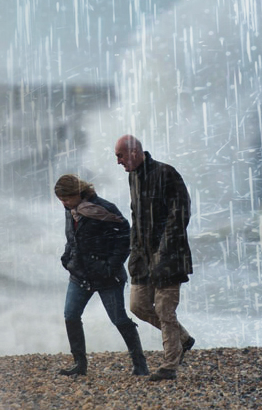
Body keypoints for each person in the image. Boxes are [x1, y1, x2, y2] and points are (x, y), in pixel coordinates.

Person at [114, 135, 195, 382]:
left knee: (164, 310)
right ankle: (182, 339)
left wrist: (164, 251)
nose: (118, 162)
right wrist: (134, 250)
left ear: (135, 152)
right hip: (142, 257)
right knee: (137, 306)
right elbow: (136, 216)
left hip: (170, 256)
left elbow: (181, 213)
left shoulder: (166, 173)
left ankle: (170, 365)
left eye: (120, 156)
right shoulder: (133, 176)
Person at [54, 174, 148, 376]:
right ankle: (80, 364)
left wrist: (110, 265)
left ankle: (140, 364)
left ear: (78, 193)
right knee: (71, 315)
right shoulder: (69, 210)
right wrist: (66, 257)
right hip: (79, 275)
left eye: (66, 198)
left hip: (108, 277)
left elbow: (125, 237)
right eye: (61, 200)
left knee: (119, 319)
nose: (64, 203)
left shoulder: (104, 208)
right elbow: (72, 238)